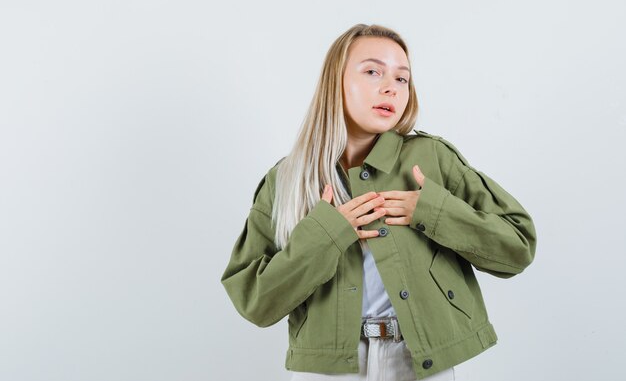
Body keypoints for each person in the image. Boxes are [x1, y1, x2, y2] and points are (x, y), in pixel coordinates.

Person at [221, 23, 537, 381]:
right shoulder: (288, 179)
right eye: (373, 71)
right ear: (335, 82)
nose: (391, 87)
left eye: (402, 78)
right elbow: (255, 302)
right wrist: (326, 234)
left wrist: (433, 211)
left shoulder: (431, 158)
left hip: (419, 363)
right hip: (328, 370)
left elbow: (518, 247)